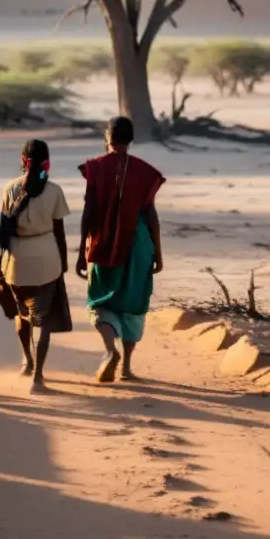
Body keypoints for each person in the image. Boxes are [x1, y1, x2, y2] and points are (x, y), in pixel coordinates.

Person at [75, 116, 165, 383]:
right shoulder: (145, 172)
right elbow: (151, 216)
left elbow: (88, 212)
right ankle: (125, 367)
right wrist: (158, 253)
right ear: (131, 139)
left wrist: (81, 250)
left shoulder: (95, 168)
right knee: (133, 305)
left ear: (107, 138)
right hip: (137, 244)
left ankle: (109, 351)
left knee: (100, 300)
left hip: (103, 242)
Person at [0, 139, 73, 394]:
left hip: (16, 263)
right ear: (46, 163)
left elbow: (4, 229)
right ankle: (38, 377)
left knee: (23, 314)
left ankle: (26, 361)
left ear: (22, 161)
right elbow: (60, 233)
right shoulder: (54, 191)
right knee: (45, 321)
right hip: (46, 261)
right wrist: (63, 262)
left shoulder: (9, 189)